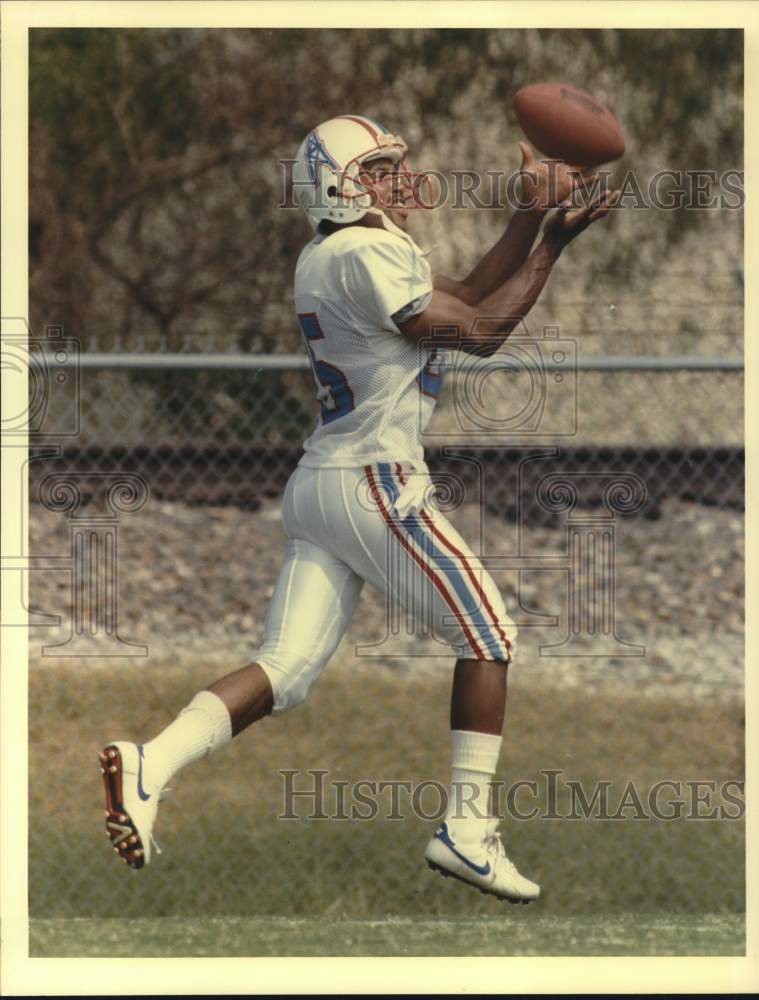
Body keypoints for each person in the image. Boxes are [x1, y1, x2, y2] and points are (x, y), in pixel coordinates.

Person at [100, 114, 618, 902]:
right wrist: (555, 243)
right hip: (372, 478)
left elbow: (472, 293)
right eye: (377, 171)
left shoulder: (332, 255)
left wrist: (531, 213)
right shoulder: (366, 250)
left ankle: (152, 763)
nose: (399, 180)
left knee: (286, 670)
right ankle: (467, 829)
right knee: (489, 632)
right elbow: (480, 330)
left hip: (322, 483)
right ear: (340, 187)